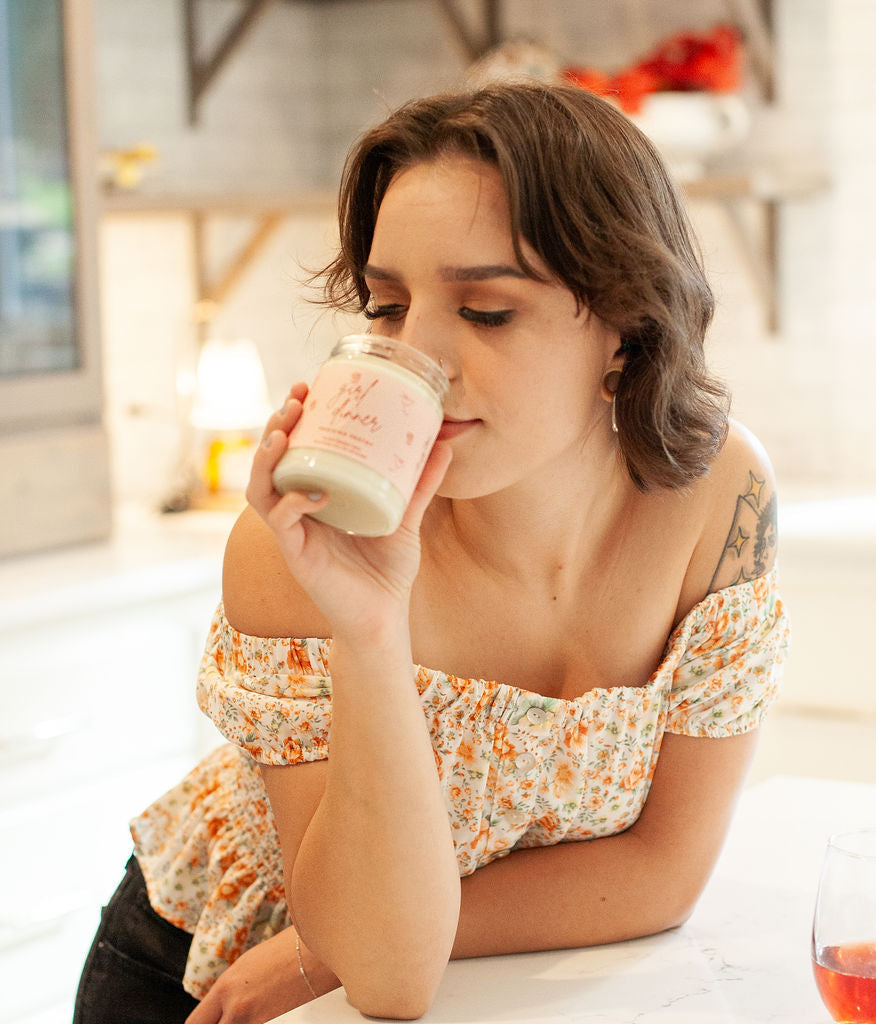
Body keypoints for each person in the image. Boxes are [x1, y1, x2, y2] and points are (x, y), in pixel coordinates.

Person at [73, 79, 789, 1024]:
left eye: (487, 312)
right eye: (386, 305)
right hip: (209, 972)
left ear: (627, 325)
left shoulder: (718, 501)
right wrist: (371, 624)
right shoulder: (298, 548)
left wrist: (319, 954)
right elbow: (388, 976)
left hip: (411, 974)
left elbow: (661, 877)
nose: (420, 358)